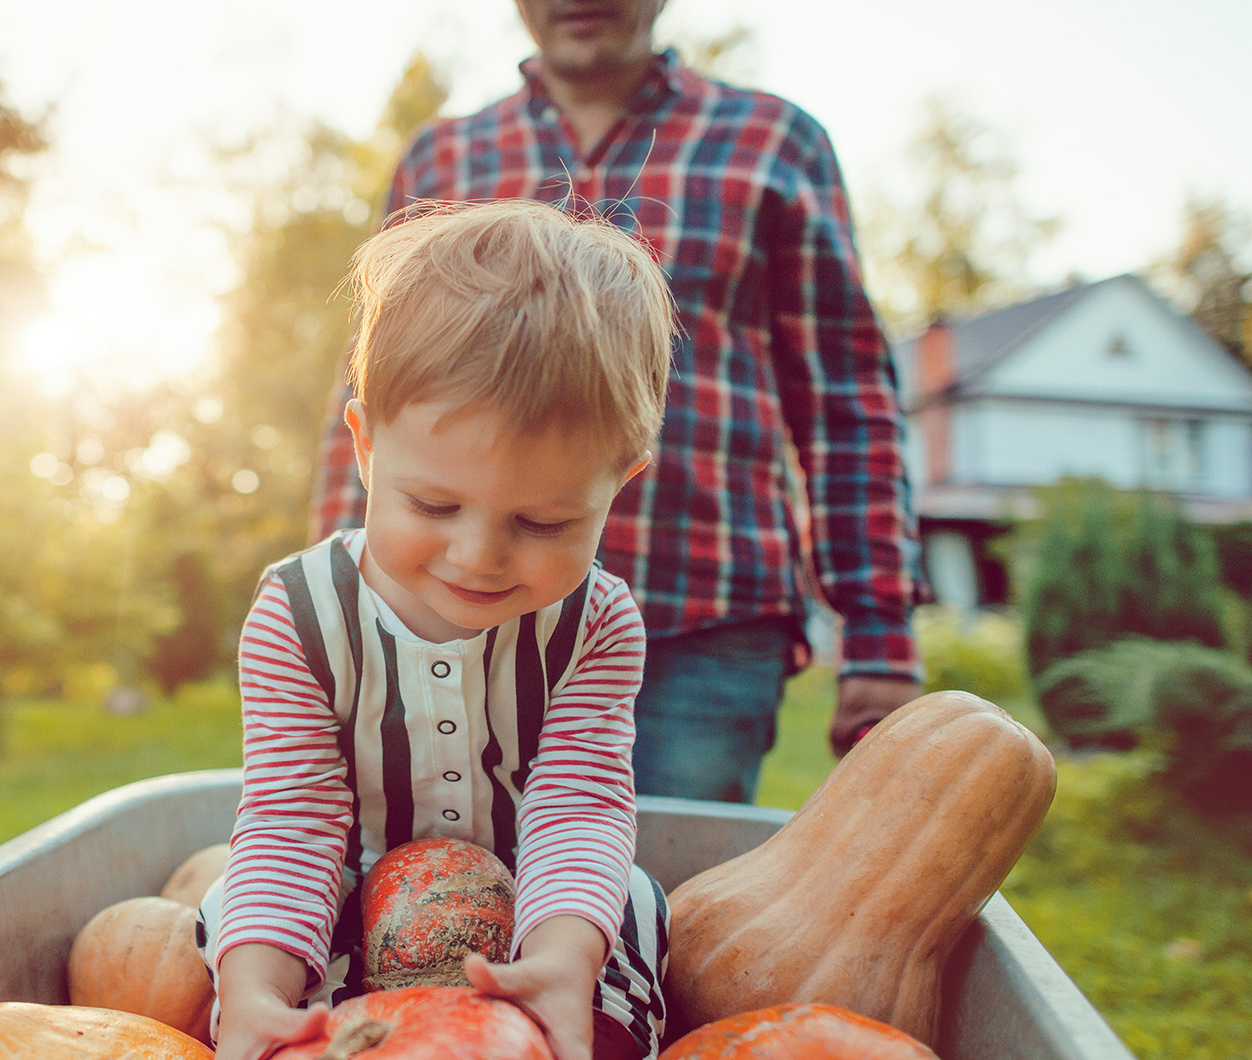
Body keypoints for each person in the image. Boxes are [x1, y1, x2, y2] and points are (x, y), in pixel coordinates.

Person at [310, 0, 927, 802]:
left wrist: (880, 636)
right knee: (442, 876)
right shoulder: (443, 157)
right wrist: (336, 590)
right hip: (457, 613)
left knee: (668, 892)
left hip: (701, 618)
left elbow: (845, 398)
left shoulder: (773, 142)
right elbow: (373, 385)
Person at [201, 199, 676, 1060]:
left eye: (542, 523)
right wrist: (256, 991)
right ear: (366, 446)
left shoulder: (597, 622)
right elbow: (292, 820)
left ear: (621, 483)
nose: (479, 556)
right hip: (344, 895)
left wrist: (561, 958)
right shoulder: (298, 614)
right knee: (229, 911)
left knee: (633, 902)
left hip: (537, 902)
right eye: (433, 504)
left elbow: (578, 806)